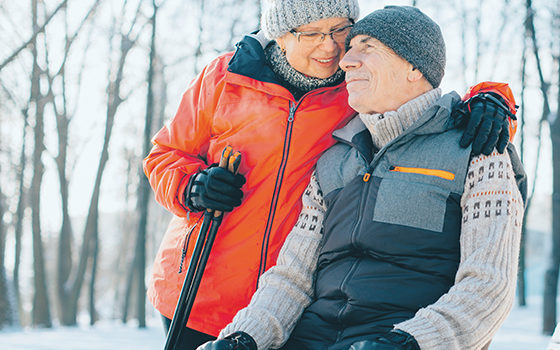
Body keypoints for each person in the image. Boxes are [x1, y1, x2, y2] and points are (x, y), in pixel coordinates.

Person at [144, 0, 516, 348]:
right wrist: (192, 186)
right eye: (311, 33)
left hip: (288, 307)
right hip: (201, 286)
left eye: (340, 30)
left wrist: (494, 97)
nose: (333, 49)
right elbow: (164, 154)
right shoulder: (225, 78)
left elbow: (420, 84)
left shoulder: (350, 91)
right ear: (282, 34)